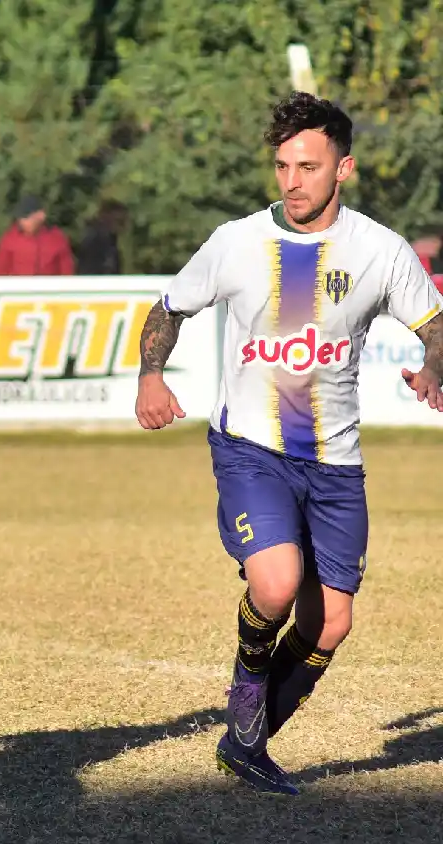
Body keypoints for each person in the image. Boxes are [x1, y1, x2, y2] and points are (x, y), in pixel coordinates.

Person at [133, 92, 443, 794]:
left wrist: (433, 365)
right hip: (250, 449)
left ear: (345, 169)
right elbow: (167, 307)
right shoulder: (236, 242)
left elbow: (435, 324)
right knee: (273, 583)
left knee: (331, 622)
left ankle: (245, 745)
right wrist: (151, 375)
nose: (292, 180)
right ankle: (245, 717)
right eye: (282, 165)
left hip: (336, 464)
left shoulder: (379, 250)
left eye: (308, 166)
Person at [0, 195, 74, 276]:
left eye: (27, 218)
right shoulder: (10, 239)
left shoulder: (57, 238)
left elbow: (67, 272)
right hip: (19, 290)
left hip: (48, 290)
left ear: (41, 215)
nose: (23, 222)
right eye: (21, 219)